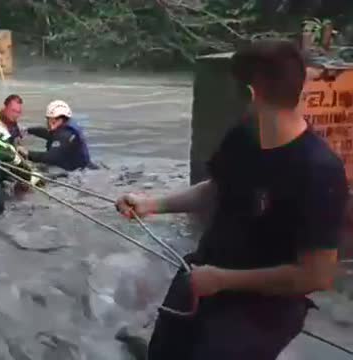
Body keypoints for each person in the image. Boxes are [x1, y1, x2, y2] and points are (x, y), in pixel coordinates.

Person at [116, 39, 348, 360]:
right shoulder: (243, 136)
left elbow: (316, 274)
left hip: (262, 309)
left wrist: (223, 280)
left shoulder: (319, 172)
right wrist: (152, 204)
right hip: (202, 277)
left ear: (250, 94)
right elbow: (218, 188)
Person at [19, 100, 94, 171]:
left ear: (59, 119)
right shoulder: (65, 129)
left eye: (51, 121)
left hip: (75, 172)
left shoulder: (65, 134)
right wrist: (27, 130)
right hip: (80, 167)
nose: (49, 124)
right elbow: (48, 134)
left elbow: (52, 157)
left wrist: (28, 153)